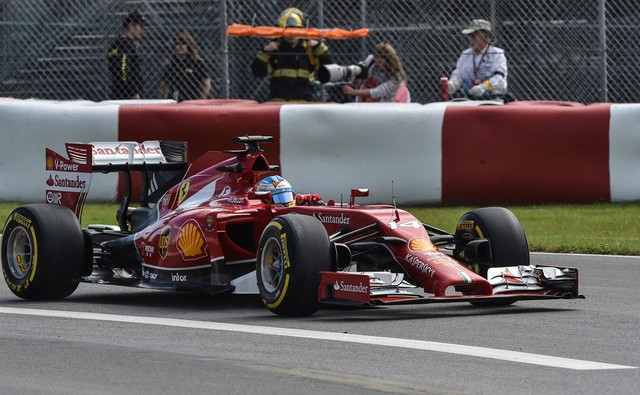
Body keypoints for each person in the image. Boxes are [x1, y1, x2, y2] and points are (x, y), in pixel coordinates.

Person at [251, 7, 332, 101]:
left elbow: (327, 74)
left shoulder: (310, 48)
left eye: (295, 29)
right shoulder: (274, 48)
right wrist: (265, 52)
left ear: (302, 29)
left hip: (304, 102)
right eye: (288, 30)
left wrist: (319, 48)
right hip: (278, 103)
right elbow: (258, 73)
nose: (291, 34)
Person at [448, 19, 508, 99]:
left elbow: (499, 79)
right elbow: (458, 74)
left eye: (474, 36)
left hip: (494, 99)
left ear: (486, 37)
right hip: (469, 98)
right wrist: (453, 84)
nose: (471, 39)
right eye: (470, 36)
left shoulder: (497, 54)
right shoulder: (465, 54)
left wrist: (484, 87)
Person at [342, 42, 411, 103]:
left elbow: (378, 92)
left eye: (380, 60)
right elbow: (360, 70)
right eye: (376, 57)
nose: (377, 62)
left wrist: (353, 92)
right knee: (367, 84)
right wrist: (353, 81)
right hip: (374, 93)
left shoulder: (397, 76)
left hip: (390, 100)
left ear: (388, 60)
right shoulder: (371, 60)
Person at [160, 31, 211, 101]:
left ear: (188, 46)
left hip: (193, 99)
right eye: (177, 44)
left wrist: (201, 99)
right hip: (175, 99)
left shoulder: (197, 62)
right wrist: (164, 99)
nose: (180, 46)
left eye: (184, 43)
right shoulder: (171, 64)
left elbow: (206, 83)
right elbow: (164, 85)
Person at [107, 11, 145, 99]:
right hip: (126, 95)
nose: (142, 31)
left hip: (118, 91)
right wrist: (133, 92)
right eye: (141, 27)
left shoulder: (117, 44)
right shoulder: (125, 45)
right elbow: (124, 70)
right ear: (131, 26)